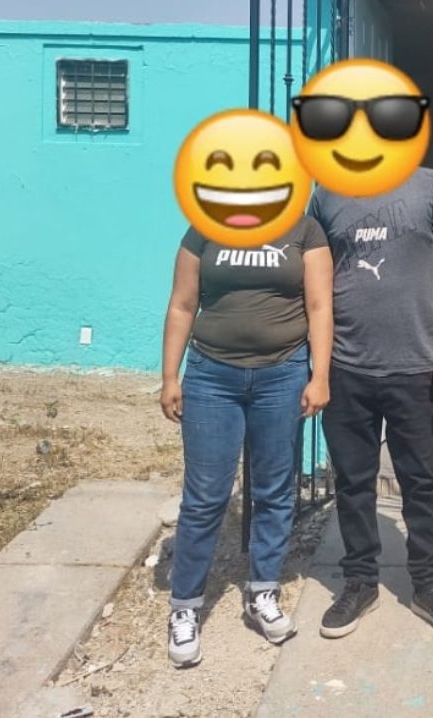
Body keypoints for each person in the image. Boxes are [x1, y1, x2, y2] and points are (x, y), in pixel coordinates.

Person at [158, 218, 332, 667]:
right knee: (205, 496)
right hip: (212, 375)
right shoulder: (204, 228)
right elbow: (182, 304)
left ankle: (262, 592)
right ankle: (185, 607)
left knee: (274, 489)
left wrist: (320, 376)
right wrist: (169, 376)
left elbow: (318, 305)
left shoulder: (305, 230)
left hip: (282, 373)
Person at [310, 166, 433, 641]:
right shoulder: (327, 194)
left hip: (416, 368)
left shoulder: (432, 185)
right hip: (346, 366)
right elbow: (314, 275)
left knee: (420, 482)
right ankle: (360, 582)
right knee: (352, 481)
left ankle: (429, 586)